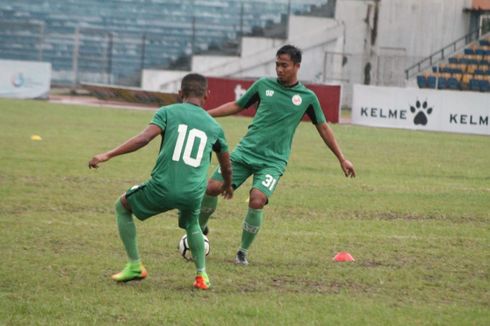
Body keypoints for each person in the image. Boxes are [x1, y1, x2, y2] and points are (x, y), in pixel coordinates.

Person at [199, 44, 356, 265]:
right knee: (211, 188)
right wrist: (206, 115)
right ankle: (200, 229)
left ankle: (242, 252)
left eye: (284, 65)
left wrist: (342, 158)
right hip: (245, 152)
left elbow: (323, 127)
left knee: (257, 199)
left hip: (273, 161)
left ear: (297, 66)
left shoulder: (307, 97)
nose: (279, 70)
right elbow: (237, 105)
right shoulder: (263, 85)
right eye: (277, 65)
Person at [88, 73, 233, 290]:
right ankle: (202, 275)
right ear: (207, 96)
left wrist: (108, 154)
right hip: (194, 192)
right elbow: (226, 164)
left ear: (180, 93)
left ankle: (135, 265)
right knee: (193, 224)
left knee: (122, 206)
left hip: (163, 187)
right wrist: (228, 185)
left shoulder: (168, 112)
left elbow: (144, 138)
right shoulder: (214, 126)